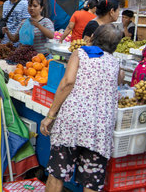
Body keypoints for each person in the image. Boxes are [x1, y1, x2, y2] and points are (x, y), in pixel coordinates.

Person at [40, 23, 124, 192]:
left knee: (57, 174)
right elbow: (118, 81)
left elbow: (67, 83)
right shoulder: (116, 65)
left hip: (73, 123)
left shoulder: (81, 53)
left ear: (94, 37)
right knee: (91, 182)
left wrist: (50, 115)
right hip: (99, 131)